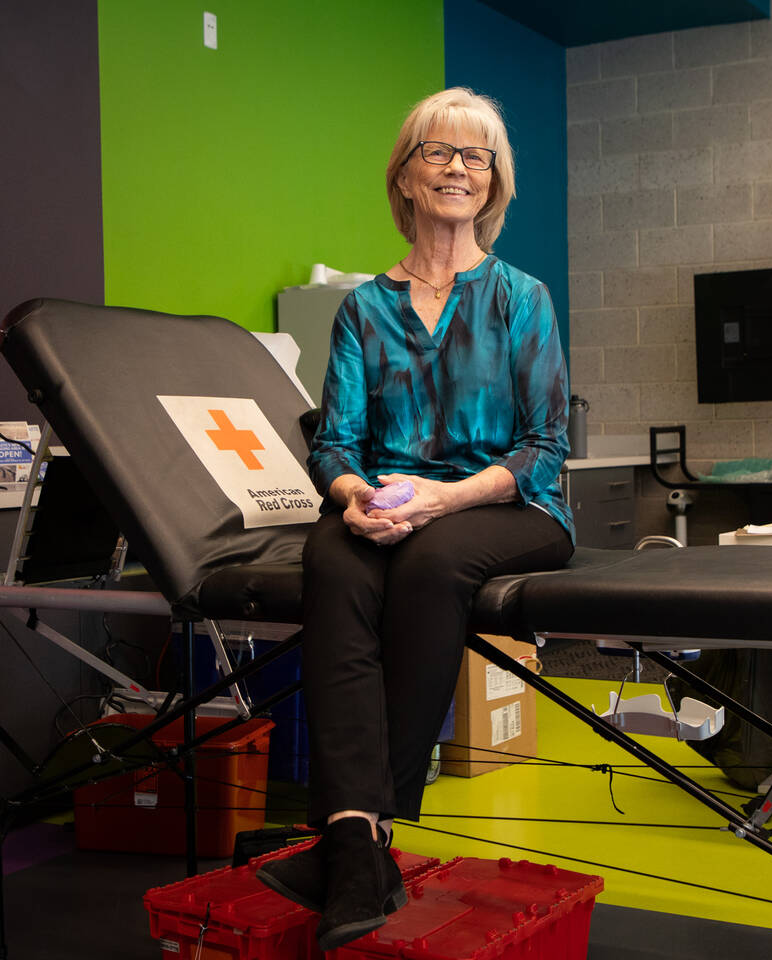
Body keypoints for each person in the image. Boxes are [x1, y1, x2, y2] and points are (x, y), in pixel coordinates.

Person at [257, 88, 574, 952]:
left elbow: (546, 447)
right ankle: (357, 841)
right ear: (404, 173)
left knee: (436, 567)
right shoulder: (363, 309)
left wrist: (444, 496)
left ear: (496, 183)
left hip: (509, 506)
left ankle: (357, 832)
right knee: (331, 562)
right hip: (389, 506)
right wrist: (352, 495)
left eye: (478, 157)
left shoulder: (521, 298)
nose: (459, 169)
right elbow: (335, 442)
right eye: (439, 151)